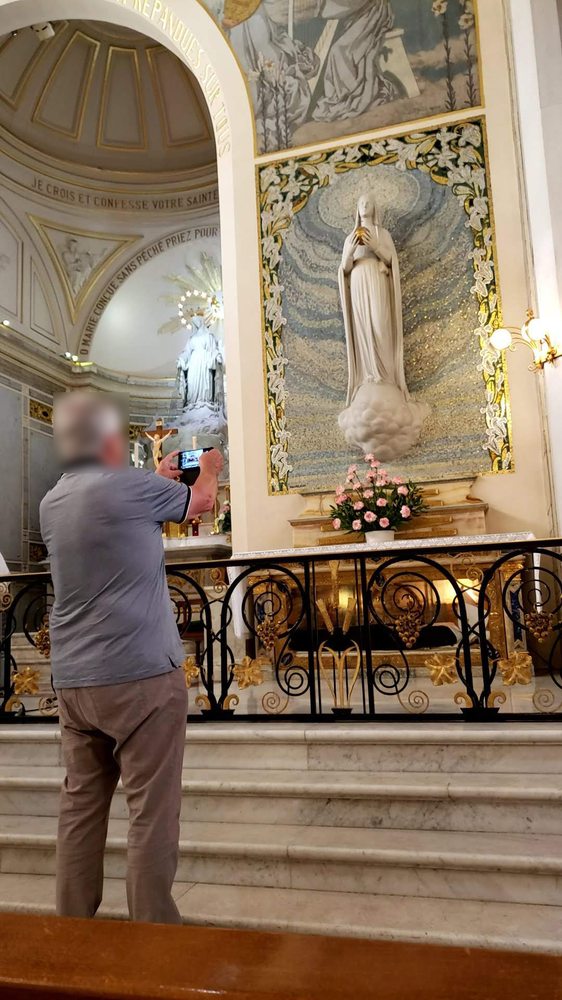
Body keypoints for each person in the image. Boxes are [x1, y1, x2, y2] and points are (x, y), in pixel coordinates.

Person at [39, 391, 223, 924]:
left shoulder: (54, 499)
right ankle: (152, 939)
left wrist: (159, 478)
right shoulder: (130, 487)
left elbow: (124, 509)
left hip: (74, 679)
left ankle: (72, 932)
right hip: (140, 674)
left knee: (80, 808)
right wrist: (209, 465)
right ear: (111, 441)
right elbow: (203, 502)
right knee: (151, 812)